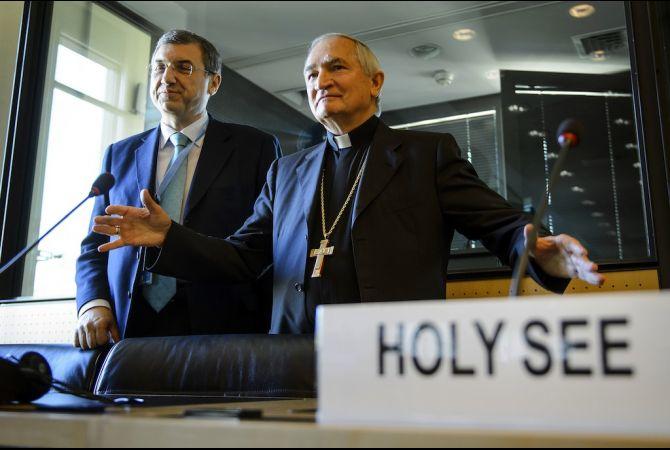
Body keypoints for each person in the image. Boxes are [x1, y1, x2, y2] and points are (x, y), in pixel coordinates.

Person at [91, 33, 604, 335]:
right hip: (291, 356)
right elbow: (243, 257)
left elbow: (497, 222)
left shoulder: (425, 155)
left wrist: (536, 246)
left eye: (336, 67)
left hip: (392, 351)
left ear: (375, 82)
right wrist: (169, 238)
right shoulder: (286, 172)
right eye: (311, 74)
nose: (321, 81)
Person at [74, 30, 281, 349]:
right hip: (129, 324)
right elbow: (95, 244)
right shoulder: (119, 154)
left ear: (214, 83)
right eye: (159, 67)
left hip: (221, 328)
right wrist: (93, 305)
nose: (167, 77)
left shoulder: (256, 148)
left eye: (183, 67)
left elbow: (266, 247)